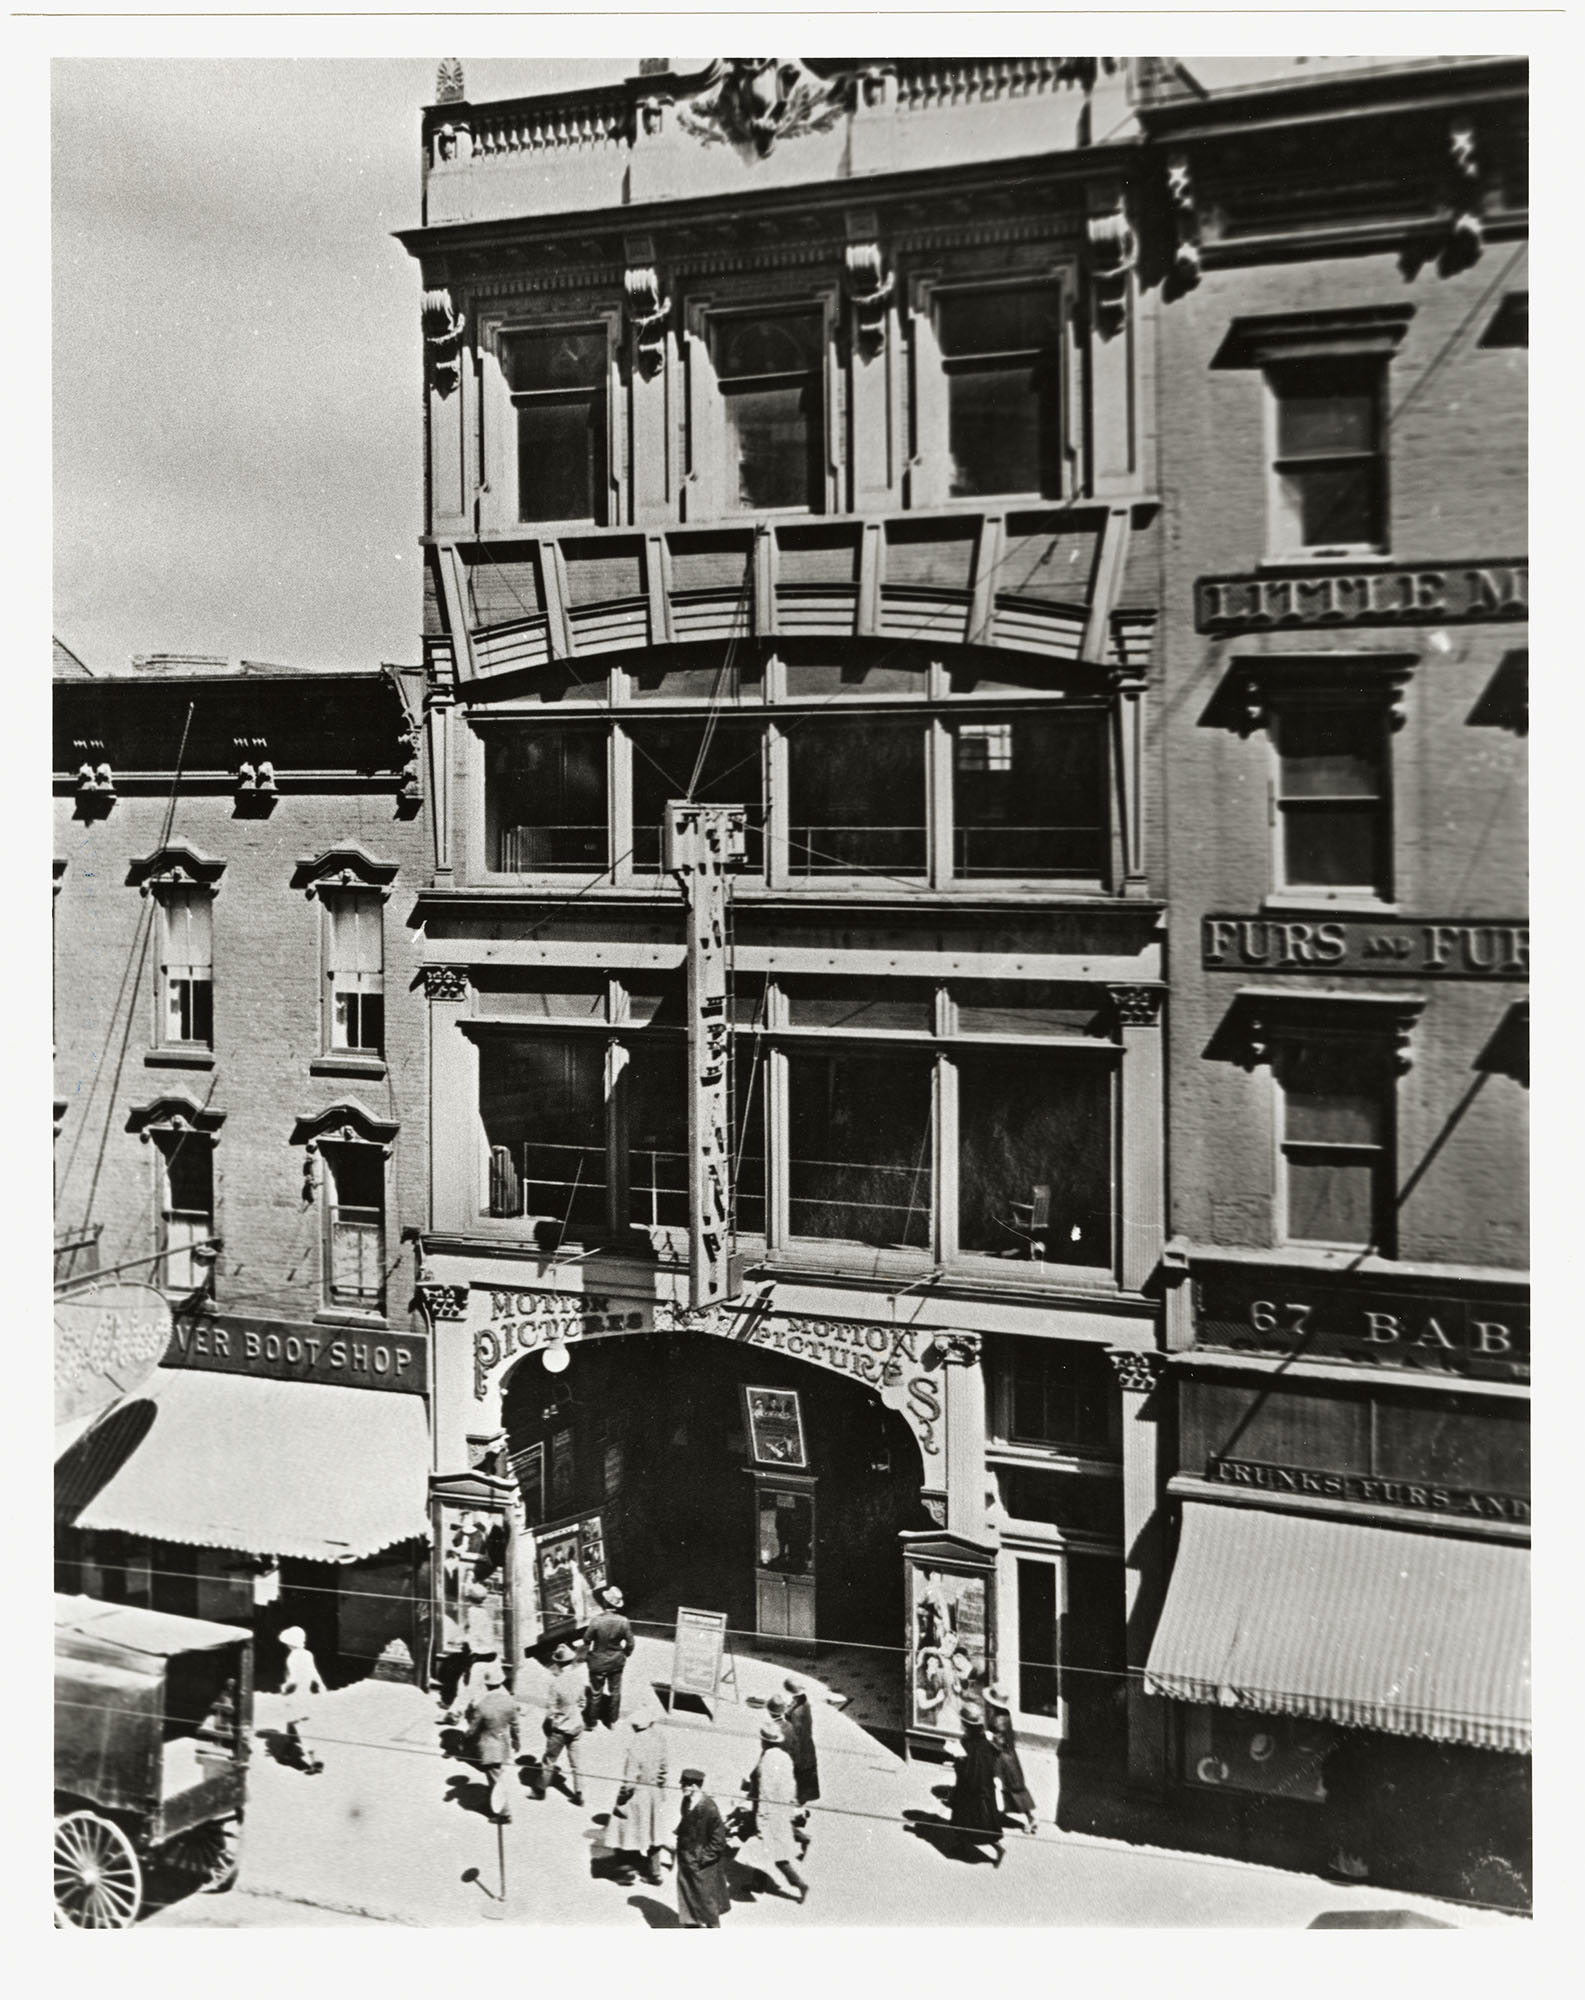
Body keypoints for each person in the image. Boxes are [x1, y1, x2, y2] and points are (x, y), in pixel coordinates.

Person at [735, 1718, 809, 1903]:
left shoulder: (767, 1760)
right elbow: (790, 1786)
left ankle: (799, 1884)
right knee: (762, 1851)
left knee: (775, 1854)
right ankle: (758, 1883)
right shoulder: (784, 1757)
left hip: (768, 1813)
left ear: (764, 1740)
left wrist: (761, 1818)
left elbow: (765, 1792)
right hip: (781, 1810)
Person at [609, 1709, 669, 1886]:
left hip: (637, 1794)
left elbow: (630, 1780)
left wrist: (621, 1798)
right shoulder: (659, 1739)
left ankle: (626, 1872)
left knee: (623, 1828)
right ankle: (655, 1872)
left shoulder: (636, 1744)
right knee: (653, 1832)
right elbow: (664, 1770)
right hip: (654, 1792)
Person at [945, 1701, 1004, 1866]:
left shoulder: (969, 1744)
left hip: (972, 1791)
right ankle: (965, 1845)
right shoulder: (984, 1741)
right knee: (982, 1824)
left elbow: (970, 1770)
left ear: (966, 1725)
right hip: (984, 1789)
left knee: (967, 1820)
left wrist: (958, 1759)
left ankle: (993, 1848)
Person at [674, 1767, 733, 1929]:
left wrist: (703, 1858)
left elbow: (718, 1840)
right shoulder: (687, 1801)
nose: (681, 1787)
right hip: (686, 1858)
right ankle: (691, 1927)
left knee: (706, 1900)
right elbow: (686, 1822)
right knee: (687, 1895)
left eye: (683, 1785)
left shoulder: (709, 1807)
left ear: (693, 1786)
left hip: (702, 1864)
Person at [464, 1663, 522, 1823]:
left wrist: (465, 1739)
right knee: (495, 1777)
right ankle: (492, 1803)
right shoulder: (510, 1702)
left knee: (495, 1780)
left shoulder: (483, 1705)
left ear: (487, 1685)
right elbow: (515, 1725)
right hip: (503, 1745)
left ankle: (505, 1814)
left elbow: (472, 1729)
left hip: (488, 1749)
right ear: (501, 1682)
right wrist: (516, 1741)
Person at [537, 1641, 588, 1805]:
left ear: (557, 1663)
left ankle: (540, 1790)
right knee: (576, 1763)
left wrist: (551, 1723)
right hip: (577, 1726)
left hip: (560, 1729)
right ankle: (579, 1793)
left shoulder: (555, 1683)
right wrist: (574, 1712)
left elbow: (551, 1709)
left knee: (549, 1760)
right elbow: (582, 1703)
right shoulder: (579, 1679)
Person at [983, 1684, 1037, 1836]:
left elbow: (999, 1743)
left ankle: (1030, 1818)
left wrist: (989, 1738)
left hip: (1003, 1761)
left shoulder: (998, 1720)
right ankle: (1027, 1817)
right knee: (1014, 1789)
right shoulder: (1003, 1714)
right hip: (1009, 1757)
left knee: (1009, 1789)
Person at [583, 1586, 636, 1730]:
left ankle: (592, 1722)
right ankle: (612, 1721)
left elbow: (586, 1639)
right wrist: (625, 1654)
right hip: (616, 1662)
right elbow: (631, 1643)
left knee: (595, 1693)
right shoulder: (623, 1621)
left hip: (598, 1662)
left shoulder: (596, 1621)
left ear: (605, 1603)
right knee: (615, 1692)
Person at [277, 1625, 326, 1775]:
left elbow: (294, 1679)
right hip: (306, 1693)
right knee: (294, 1723)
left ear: (290, 1643)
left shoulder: (292, 1657)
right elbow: (313, 1671)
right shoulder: (308, 1654)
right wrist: (321, 1684)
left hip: (294, 1695)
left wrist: (284, 1687)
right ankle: (286, 1752)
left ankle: (315, 1760)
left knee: (301, 1728)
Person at [780, 1676, 820, 1854]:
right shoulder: (804, 1702)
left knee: (798, 1785)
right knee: (802, 1784)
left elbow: (796, 1735)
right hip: (807, 1751)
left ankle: (797, 1816)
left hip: (800, 1754)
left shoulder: (797, 1712)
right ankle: (799, 1811)